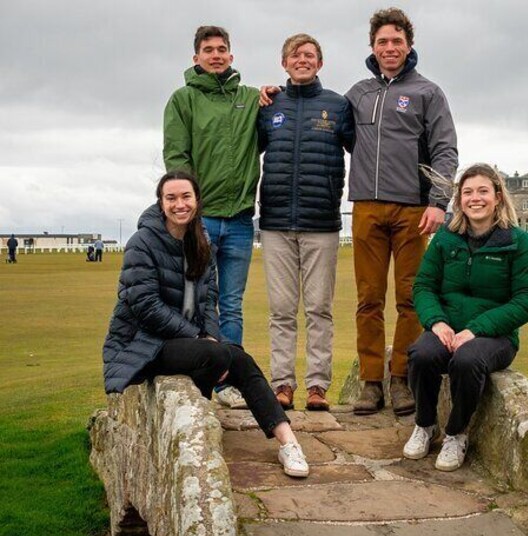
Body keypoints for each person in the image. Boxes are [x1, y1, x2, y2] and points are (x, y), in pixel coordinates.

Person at [102, 171, 309, 477]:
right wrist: (201, 338)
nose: (179, 204)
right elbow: (146, 307)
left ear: (197, 201)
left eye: (186, 196)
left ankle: (288, 442)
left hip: (187, 341)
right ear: (161, 203)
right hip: (143, 344)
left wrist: (209, 336)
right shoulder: (141, 243)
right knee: (216, 354)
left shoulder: (201, 240)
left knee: (239, 358)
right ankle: (196, 426)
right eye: (171, 198)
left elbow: (209, 299)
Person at [346, 8, 458, 415]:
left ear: (409, 45)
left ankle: (401, 379)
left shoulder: (428, 92)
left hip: (414, 209)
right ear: (372, 47)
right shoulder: (357, 93)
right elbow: (321, 120)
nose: (389, 48)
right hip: (366, 208)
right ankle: (370, 382)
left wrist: (438, 202)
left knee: (411, 298)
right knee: (368, 299)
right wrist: (273, 95)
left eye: (396, 41)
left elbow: (445, 150)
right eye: (382, 42)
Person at [402, 163, 528, 471]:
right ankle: (425, 425)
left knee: (466, 361)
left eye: (482, 191)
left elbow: (526, 299)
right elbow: (424, 286)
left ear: (498, 197)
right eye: (467, 192)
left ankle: (456, 433)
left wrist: (476, 330)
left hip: (494, 336)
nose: (474, 198)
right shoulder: (445, 239)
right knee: (421, 355)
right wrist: (437, 322)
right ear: (459, 200)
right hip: (447, 327)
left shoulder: (519, 243)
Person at [163, 26, 262, 409]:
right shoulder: (183, 100)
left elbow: (275, 117)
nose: (216, 55)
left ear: (231, 57)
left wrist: (271, 93)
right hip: (201, 220)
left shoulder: (250, 98)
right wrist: (190, 210)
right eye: (208, 50)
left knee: (232, 303)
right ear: (196, 58)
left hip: (239, 219)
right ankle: (200, 372)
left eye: (222, 49)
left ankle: (228, 382)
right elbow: (177, 157)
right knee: (198, 302)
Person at [257, 33, 354, 411]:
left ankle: (317, 386)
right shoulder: (268, 104)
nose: (302, 60)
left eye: (309, 55)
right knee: (281, 310)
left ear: (319, 63)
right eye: (295, 55)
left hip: (322, 223)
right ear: (284, 63)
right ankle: (282, 384)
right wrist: (258, 93)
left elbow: (362, 151)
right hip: (276, 221)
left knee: (318, 309)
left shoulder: (338, 106)